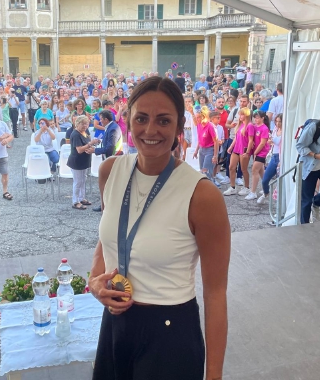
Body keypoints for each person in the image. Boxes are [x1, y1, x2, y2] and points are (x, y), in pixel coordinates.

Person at [89, 76, 229, 380]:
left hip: (170, 334)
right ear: (128, 121)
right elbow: (110, 237)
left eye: (163, 121)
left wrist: (214, 376)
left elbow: (216, 294)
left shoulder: (202, 196)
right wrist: (95, 281)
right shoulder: (110, 171)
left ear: (179, 128)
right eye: (141, 118)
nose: (150, 130)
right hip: (114, 324)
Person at [67, 115, 96, 210]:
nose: (85, 126)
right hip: (77, 161)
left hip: (84, 161)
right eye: (83, 124)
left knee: (83, 180)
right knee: (78, 181)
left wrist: (92, 144)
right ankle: (75, 201)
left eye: (86, 123)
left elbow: (86, 145)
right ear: (77, 124)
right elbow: (79, 150)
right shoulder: (75, 134)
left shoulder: (85, 132)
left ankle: (81, 198)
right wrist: (90, 144)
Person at [223, 108, 251, 196]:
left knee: (243, 169)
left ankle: (247, 187)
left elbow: (250, 140)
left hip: (244, 149)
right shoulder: (240, 124)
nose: (240, 116)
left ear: (246, 115)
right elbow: (236, 137)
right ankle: (232, 187)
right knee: (231, 167)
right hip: (236, 148)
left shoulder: (249, 125)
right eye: (239, 114)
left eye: (242, 114)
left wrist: (247, 152)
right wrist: (231, 146)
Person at [244, 111, 271, 200]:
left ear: (263, 118)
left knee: (254, 170)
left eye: (258, 118)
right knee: (261, 171)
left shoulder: (264, 128)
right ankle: (266, 188)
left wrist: (255, 152)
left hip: (262, 152)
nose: (256, 119)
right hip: (256, 151)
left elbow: (263, 143)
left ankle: (253, 192)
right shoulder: (255, 127)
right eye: (255, 118)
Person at [259, 113, 283, 204]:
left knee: (279, 181)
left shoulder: (285, 131)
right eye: (276, 121)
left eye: (279, 121)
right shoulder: (275, 130)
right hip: (274, 155)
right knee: (265, 179)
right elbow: (272, 142)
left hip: (281, 157)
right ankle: (266, 193)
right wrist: (270, 142)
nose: (277, 123)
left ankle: (279, 205)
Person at [193, 108, 219, 185]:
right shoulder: (199, 125)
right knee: (202, 171)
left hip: (209, 150)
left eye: (198, 117)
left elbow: (216, 141)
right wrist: (196, 150)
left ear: (203, 117)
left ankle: (210, 188)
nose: (197, 119)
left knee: (206, 172)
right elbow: (199, 139)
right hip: (202, 149)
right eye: (196, 117)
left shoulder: (210, 126)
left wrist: (215, 155)